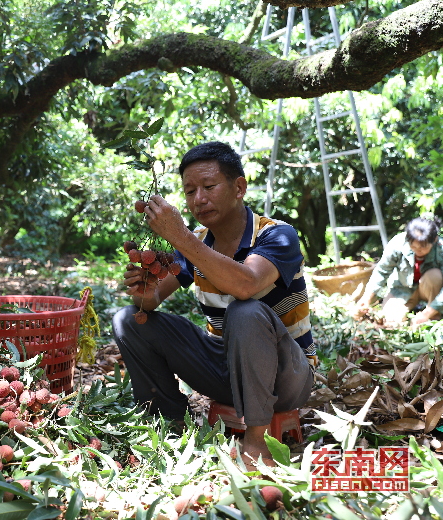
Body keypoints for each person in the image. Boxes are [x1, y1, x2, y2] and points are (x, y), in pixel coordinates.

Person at [112, 141, 315, 469]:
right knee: (129, 320)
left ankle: (257, 440)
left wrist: (180, 236)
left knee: (244, 311)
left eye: (209, 186)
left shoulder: (278, 235)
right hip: (225, 371)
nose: (199, 199)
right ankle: (170, 423)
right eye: (190, 191)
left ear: (239, 187)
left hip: (287, 378)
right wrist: (142, 287)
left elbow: (245, 285)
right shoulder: (198, 242)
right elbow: (149, 302)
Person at [355, 217, 443, 327]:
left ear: (434, 240)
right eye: (413, 246)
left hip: (430, 291)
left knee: (434, 276)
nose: (417, 250)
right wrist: (367, 297)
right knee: (391, 322)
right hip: (402, 290)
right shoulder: (398, 243)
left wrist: (427, 313)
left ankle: (435, 314)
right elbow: (382, 271)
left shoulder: (441, 248)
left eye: (422, 247)